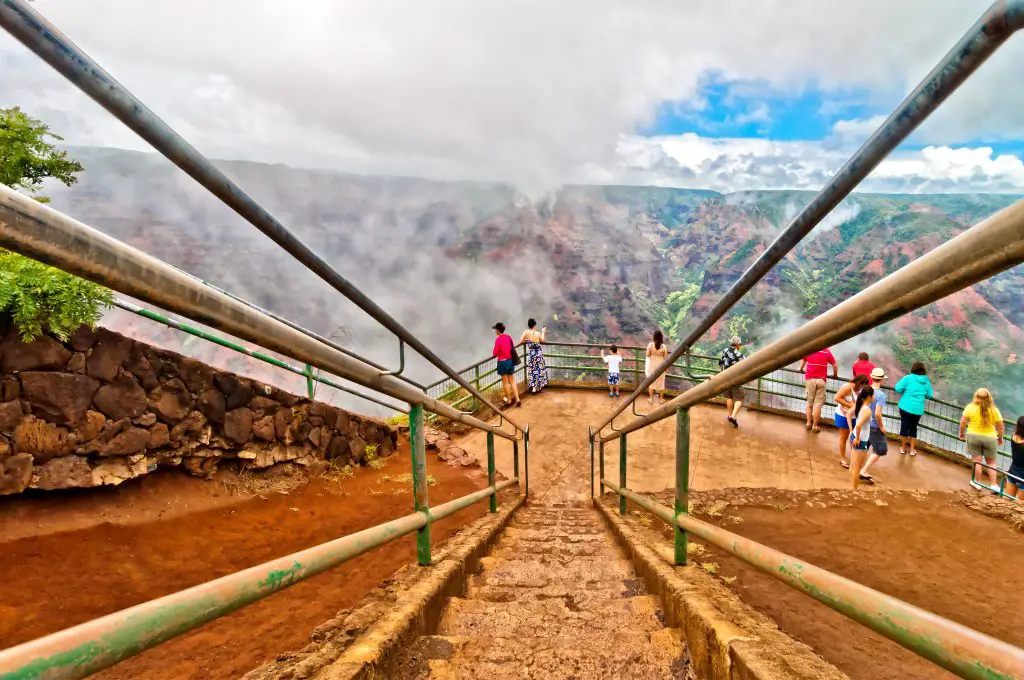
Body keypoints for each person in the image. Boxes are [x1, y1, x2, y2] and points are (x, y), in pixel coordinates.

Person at [958, 388, 1004, 491]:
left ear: (976, 396)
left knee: (977, 461)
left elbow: (962, 423)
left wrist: (961, 434)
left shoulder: (970, 407)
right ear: (989, 398)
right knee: (991, 463)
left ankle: (977, 483)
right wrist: (1000, 437)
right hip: (990, 438)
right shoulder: (994, 410)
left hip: (973, 436)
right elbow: (1001, 427)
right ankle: (994, 485)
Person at [893, 361, 934, 456]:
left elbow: (898, 388)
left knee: (904, 426)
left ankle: (903, 448)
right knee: (913, 428)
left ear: (913, 369)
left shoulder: (908, 378)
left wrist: (906, 391)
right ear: (923, 370)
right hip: (917, 409)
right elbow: (929, 395)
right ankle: (912, 450)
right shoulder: (926, 381)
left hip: (905, 406)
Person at [858, 367, 890, 484]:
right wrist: (882, 427)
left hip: (865, 423)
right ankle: (863, 471)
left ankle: (857, 467)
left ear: (872, 378)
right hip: (875, 426)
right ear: (881, 380)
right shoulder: (881, 395)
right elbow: (877, 413)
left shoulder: (865, 390)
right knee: (880, 450)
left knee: (864, 446)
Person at [834, 373, 870, 469]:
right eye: (862, 385)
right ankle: (842, 457)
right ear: (858, 382)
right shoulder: (847, 387)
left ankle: (854, 458)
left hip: (854, 416)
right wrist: (851, 406)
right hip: (843, 416)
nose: (862, 388)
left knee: (853, 437)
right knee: (843, 437)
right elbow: (836, 398)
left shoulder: (860, 389)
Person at [799, 346, 838, 432]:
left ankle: (808, 423)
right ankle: (815, 426)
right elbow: (835, 366)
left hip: (810, 379)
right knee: (817, 405)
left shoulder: (809, 349)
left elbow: (804, 361)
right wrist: (835, 376)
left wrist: (801, 369)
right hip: (821, 380)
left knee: (809, 403)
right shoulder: (826, 351)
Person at [850, 385, 875, 489]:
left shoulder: (859, 405)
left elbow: (849, 415)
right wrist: (858, 438)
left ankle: (853, 487)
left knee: (853, 466)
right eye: (873, 395)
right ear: (869, 396)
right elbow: (860, 424)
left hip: (855, 436)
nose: (874, 397)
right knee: (857, 468)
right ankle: (854, 490)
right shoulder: (867, 410)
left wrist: (853, 433)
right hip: (861, 440)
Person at [491, 322, 521, 408]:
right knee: (512, 381)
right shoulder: (508, 337)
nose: (495, 331)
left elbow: (495, 353)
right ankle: (517, 399)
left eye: (495, 330)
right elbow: (511, 347)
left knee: (505, 382)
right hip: (510, 361)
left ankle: (509, 400)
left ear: (497, 330)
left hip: (503, 362)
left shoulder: (498, 339)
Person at [718, 335, 745, 428]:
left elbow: (720, 363)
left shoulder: (724, 351)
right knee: (740, 398)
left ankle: (730, 415)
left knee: (729, 397)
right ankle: (733, 416)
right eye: (740, 344)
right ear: (737, 344)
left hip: (724, 377)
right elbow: (745, 367)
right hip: (735, 379)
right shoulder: (740, 355)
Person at [519, 318, 549, 394]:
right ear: (535, 325)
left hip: (532, 353)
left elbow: (521, 341)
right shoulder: (538, 333)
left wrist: (527, 341)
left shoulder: (526, 332)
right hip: (538, 353)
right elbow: (542, 341)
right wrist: (543, 332)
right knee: (539, 369)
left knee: (533, 369)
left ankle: (534, 388)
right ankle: (538, 387)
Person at [646, 330, 670, 405]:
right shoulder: (664, 346)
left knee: (651, 382)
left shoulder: (650, 345)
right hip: (661, 367)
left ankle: (650, 398)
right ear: (661, 338)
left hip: (652, 366)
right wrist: (666, 368)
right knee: (661, 383)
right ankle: (660, 399)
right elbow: (666, 358)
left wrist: (650, 351)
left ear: (654, 337)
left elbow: (647, 355)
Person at [1004, 416, 1024, 500]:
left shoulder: (1013, 437)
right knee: (1020, 506)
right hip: (1023, 477)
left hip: (1012, 472)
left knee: (1006, 501)